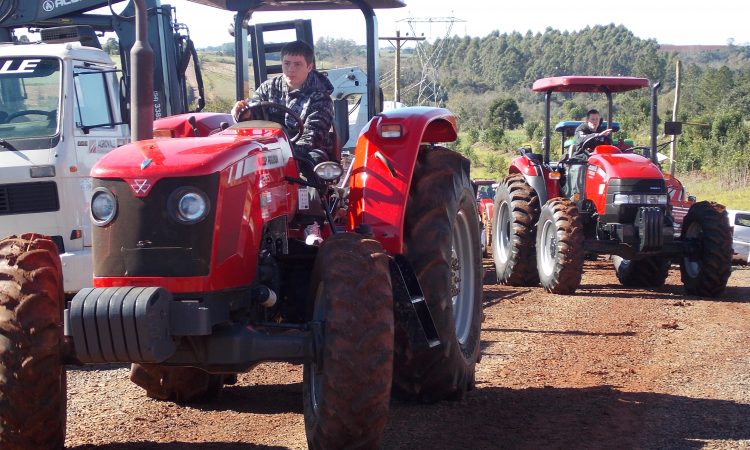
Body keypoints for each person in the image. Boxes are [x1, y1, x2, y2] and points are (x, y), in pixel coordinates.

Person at [231, 40, 335, 164]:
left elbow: (311, 138)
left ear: (309, 67)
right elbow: (253, 117)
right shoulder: (269, 87)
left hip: (304, 151)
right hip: (270, 147)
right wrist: (244, 114)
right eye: (286, 63)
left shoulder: (321, 97)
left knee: (312, 160)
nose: (291, 69)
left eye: (297, 64)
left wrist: (279, 155)